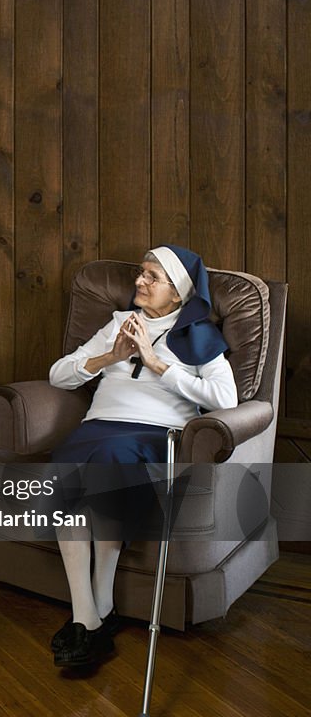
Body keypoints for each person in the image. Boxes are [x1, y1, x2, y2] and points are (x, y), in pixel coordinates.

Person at [46, 245, 238, 667]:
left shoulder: (200, 336)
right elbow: (58, 376)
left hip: (152, 434)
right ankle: (94, 614)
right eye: (140, 273)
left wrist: (156, 364)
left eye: (153, 277)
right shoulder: (119, 323)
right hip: (96, 428)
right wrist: (109, 357)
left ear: (178, 293)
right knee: (70, 471)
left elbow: (226, 398)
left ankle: (88, 621)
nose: (140, 282)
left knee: (105, 467)